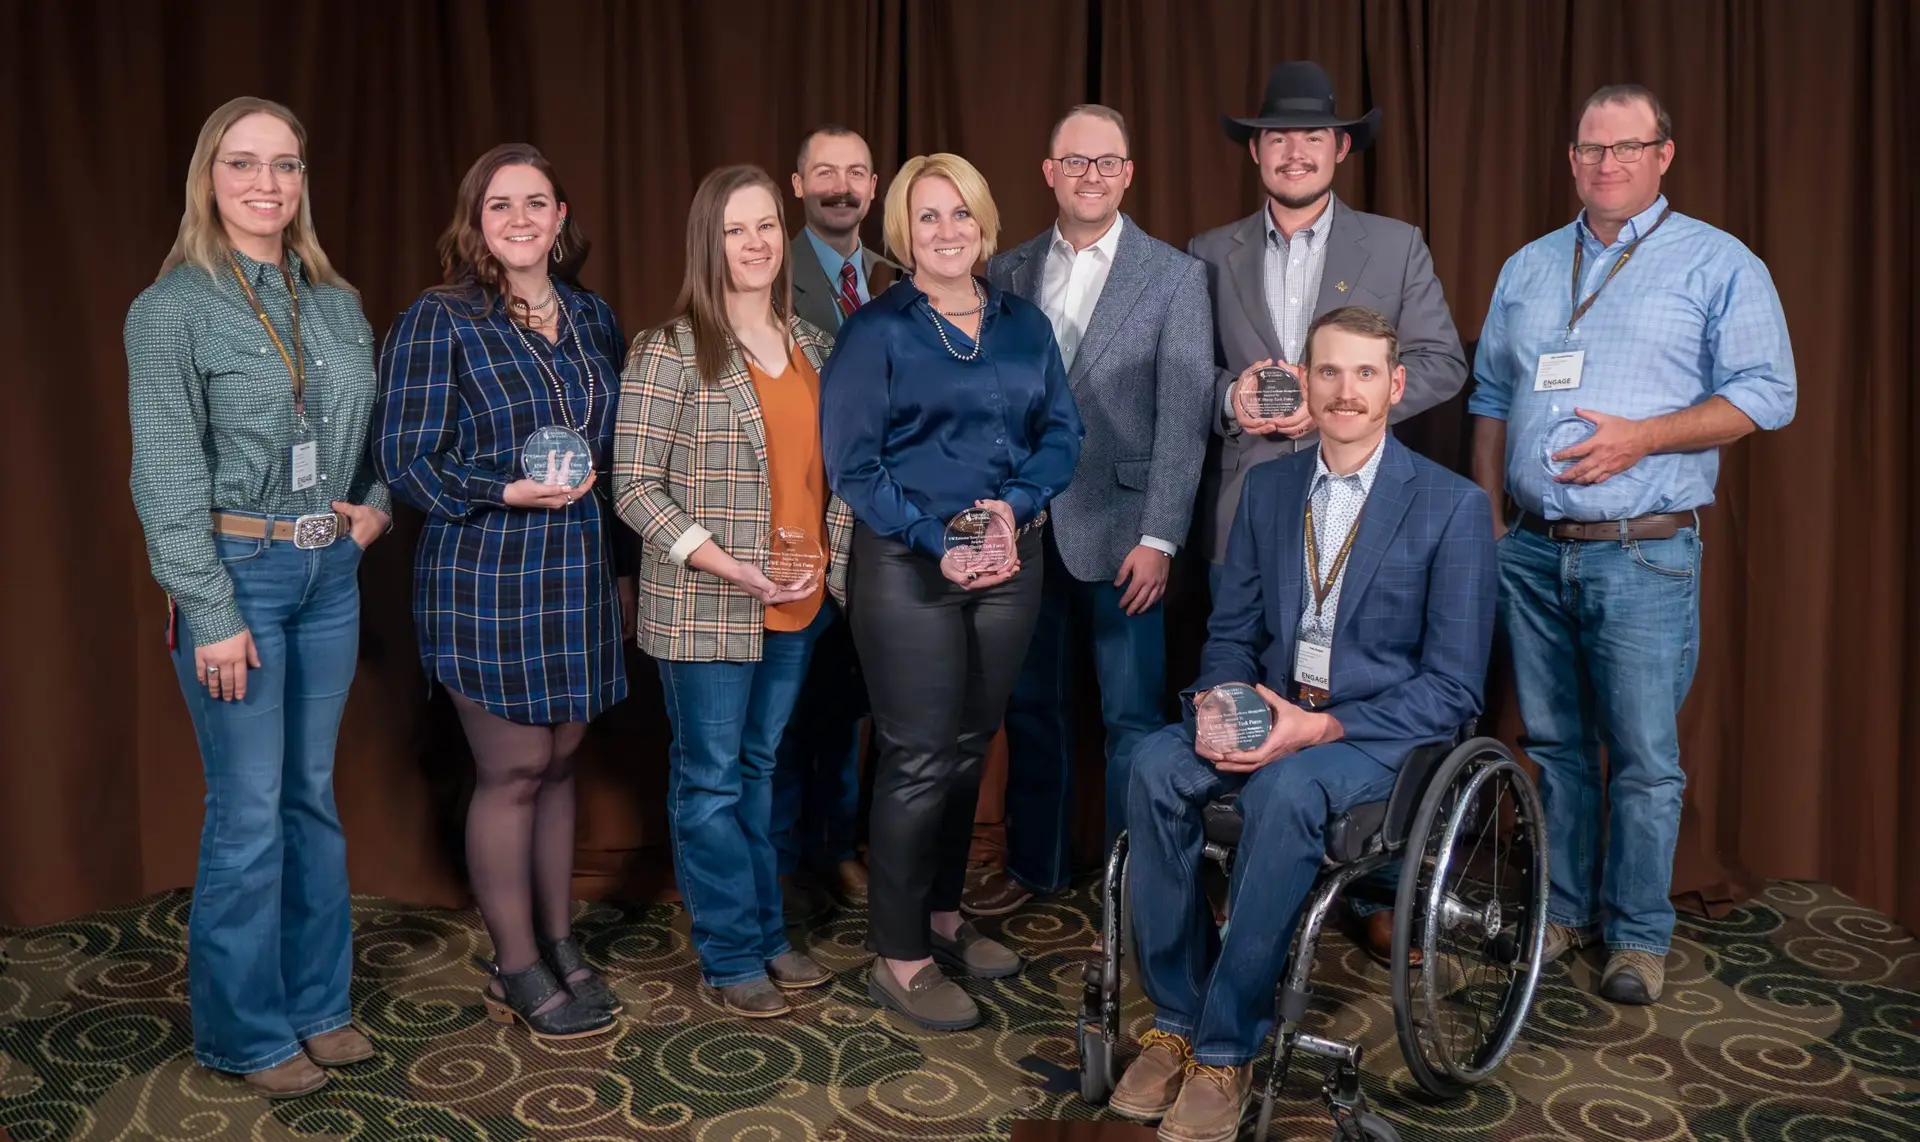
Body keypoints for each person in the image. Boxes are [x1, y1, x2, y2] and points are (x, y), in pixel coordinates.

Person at [1108, 307, 1496, 1140]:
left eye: (1364, 374)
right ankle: (1176, 1021)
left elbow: (1454, 690)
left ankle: (1226, 1046)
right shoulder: (1272, 488)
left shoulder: (1451, 508)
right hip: (1272, 709)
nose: (1346, 391)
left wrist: (1315, 731)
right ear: (1306, 384)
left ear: (1395, 385)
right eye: (1329, 372)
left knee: (1284, 792)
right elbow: (1233, 630)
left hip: (1372, 738)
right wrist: (1221, 703)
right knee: (1150, 763)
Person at [1467, 84, 1796, 1005]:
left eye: (1626, 148)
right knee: (1557, 746)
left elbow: (1770, 394)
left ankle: (1639, 936)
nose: (1606, 164)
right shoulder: (1528, 266)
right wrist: (1492, 518)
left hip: (1643, 548)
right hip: (1532, 549)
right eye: (1590, 149)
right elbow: (1490, 396)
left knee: (1645, 756)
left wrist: (1642, 438)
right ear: (1571, 159)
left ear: (1664, 154)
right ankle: (1567, 910)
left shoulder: (1718, 263)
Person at [126, 96, 390, 1098]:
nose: (266, 185)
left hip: (331, 576)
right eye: (244, 164)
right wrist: (210, 610)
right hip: (237, 577)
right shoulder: (171, 310)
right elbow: (163, 475)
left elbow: (378, 436)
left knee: (311, 800)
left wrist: (373, 508)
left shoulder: (335, 299)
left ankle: (317, 1005)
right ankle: (243, 1030)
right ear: (209, 177)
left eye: (285, 165)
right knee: (245, 813)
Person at [1188, 59, 1469, 960]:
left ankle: (1365, 890)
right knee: (1257, 669)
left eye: (1313, 135)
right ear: (1257, 152)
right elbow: (1183, 376)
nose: (1295, 151)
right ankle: (1252, 884)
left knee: (1364, 675)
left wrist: (1343, 402)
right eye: (1278, 137)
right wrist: (1232, 395)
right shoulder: (1208, 252)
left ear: (1340, 148)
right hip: (1252, 507)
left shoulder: (1395, 246)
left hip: (1369, 503)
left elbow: (1440, 360)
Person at [374, 143, 631, 1041]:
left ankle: (559, 942)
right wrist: (503, 489)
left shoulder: (595, 319)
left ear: (562, 216)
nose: (520, 219)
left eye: (537, 202)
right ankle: (515, 963)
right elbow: (404, 458)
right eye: (500, 206)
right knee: (512, 768)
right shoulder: (439, 320)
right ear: (475, 223)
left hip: (576, 573)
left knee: (560, 763)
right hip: (486, 573)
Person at [821, 153, 1084, 1030]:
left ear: (983, 223)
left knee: (972, 745)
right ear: (904, 231)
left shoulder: (1023, 324)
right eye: (927, 217)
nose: (946, 231)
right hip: (909, 566)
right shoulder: (877, 331)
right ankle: (897, 957)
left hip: (1011, 562)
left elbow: (1062, 435)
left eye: (959, 214)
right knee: (919, 754)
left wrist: (1011, 512)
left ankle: (940, 919)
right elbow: (853, 466)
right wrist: (940, 539)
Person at [612, 164, 849, 1019]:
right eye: (734, 229)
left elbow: (832, 479)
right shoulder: (668, 349)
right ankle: (730, 952)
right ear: (707, 242)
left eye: (764, 227)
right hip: (710, 605)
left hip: (797, 606)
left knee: (759, 769)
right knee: (710, 780)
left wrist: (833, 562)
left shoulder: (814, 348)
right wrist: (728, 563)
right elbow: (634, 486)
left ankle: (766, 933)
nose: (753, 244)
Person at [967, 104, 1213, 917]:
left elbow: (1183, 418)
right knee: (1032, 710)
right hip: (1028, 534)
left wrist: (1161, 537)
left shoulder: (1175, 276)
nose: (1091, 176)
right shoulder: (1004, 271)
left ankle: (1131, 882)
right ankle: (1036, 867)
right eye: (1075, 162)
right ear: (1048, 172)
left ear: (1129, 174)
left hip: (1125, 535)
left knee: (1131, 720)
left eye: (1107, 163)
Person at [773, 125, 903, 920]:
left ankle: (835, 848)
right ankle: (786, 860)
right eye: (824, 171)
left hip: (878, 528)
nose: (840, 185)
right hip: (792, 523)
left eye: (855, 172)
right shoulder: (765, 269)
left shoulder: (899, 278)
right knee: (787, 711)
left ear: (875, 183)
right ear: (797, 184)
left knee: (852, 703)